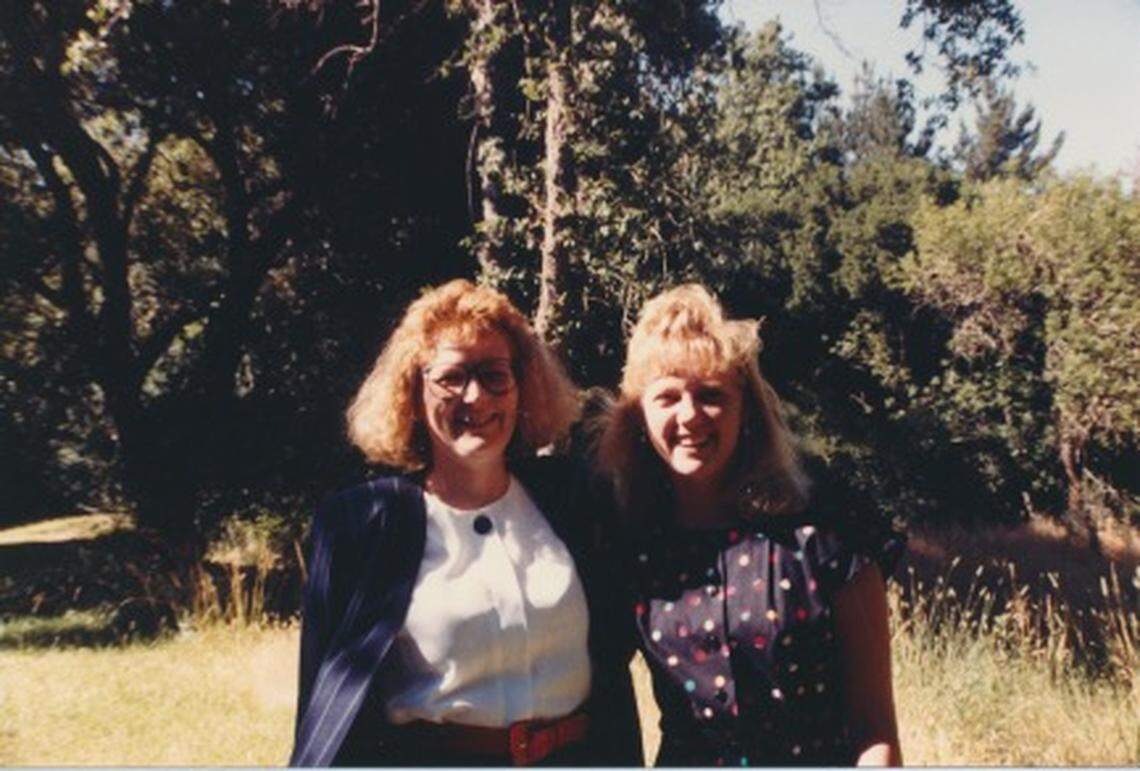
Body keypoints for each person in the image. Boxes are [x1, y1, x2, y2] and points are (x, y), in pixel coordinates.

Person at [290, 279, 642, 767]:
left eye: (495, 375)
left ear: (522, 389)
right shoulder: (362, 524)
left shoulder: (575, 499)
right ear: (413, 393)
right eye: (451, 378)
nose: (475, 398)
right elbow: (326, 693)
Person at [597, 284, 904, 767]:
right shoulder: (629, 544)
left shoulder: (827, 536)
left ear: (747, 413)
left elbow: (875, 730)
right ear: (637, 417)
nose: (690, 415)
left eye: (712, 395)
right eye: (668, 397)